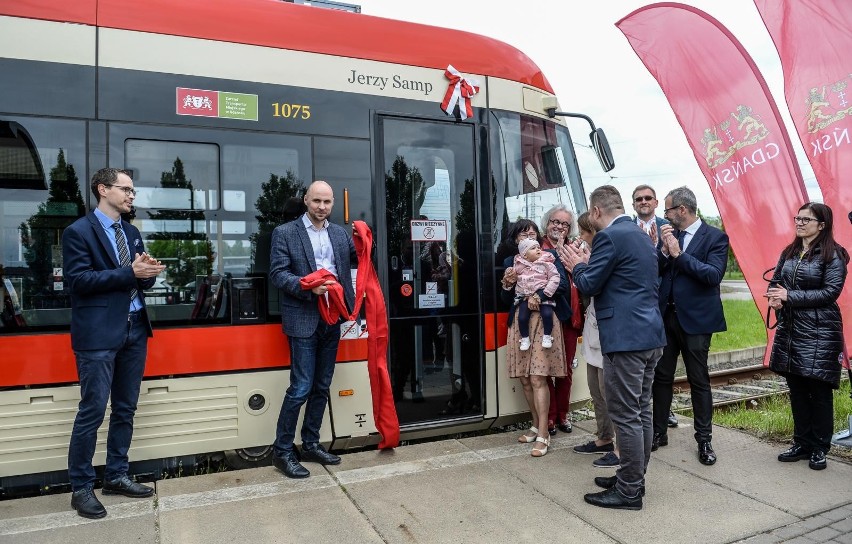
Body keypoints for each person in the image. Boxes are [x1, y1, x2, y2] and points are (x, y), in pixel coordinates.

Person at [62, 168, 165, 519]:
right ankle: (81, 488)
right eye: (126, 190)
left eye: (133, 191)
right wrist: (130, 273)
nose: (131, 196)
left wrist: (147, 273)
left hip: (135, 329)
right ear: (103, 189)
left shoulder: (131, 232)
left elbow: (135, 281)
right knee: (92, 410)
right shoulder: (77, 232)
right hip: (98, 336)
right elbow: (78, 281)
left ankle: (117, 475)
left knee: (125, 408)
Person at [561, 185, 665, 511]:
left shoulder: (608, 237)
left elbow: (590, 283)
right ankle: (632, 477)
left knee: (625, 415)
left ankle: (629, 491)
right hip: (650, 336)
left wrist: (577, 265)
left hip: (625, 339)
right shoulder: (640, 234)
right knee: (641, 411)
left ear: (595, 212)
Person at [269, 180, 357, 479]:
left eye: (327, 202)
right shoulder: (285, 233)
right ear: (306, 200)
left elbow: (357, 262)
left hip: (333, 318)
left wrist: (366, 240)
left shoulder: (340, 234)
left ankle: (309, 444)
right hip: (304, 317)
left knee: (322, 386)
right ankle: (282, 452)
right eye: (317, 201)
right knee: (301, 388)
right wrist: (310, 288)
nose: (322, 207)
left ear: (333, 204)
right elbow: (278, 274)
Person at [766, 203, 849, 470]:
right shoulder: (789, 251)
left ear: (821, 225)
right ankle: (802, 443)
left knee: (819, 390)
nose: (799, 223)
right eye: (798, 218)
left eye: (806, 219)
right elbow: (776, 281)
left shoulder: (833, 255)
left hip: (821, 331)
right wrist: (775, 297)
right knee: (797, 390)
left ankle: (819, 447)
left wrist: (789, 296)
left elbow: (830, 293)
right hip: (791, 330)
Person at [651, 186, 728, 466]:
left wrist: (679, 255)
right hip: (666, 318)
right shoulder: (672, 236)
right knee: (661, 378)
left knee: (698, 380)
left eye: (668, 210)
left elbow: (712, 276)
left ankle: (704, 439)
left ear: (681, 210)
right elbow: (660, 271)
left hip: (696, 321)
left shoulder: (715, 237)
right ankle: (658, 433)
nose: (665, 215)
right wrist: (662, 252)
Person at [500, 219, 568, 457]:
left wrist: (538, 294)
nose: (529, 237)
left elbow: (562, 286)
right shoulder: (511, 263)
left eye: (532, 233)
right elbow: (503, 299)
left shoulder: (549, 257)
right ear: (516, 240)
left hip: (544, 319)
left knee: (539, 377)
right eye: (523, 234)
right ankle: (535, 423)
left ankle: (543, 433)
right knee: (526, 379)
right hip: (521, 320)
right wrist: (507, 286)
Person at [570, 213, 620, 469]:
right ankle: (603, 437)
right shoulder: (591, 251)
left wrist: (580, 267)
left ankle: (619, 448)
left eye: (583, 231)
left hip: (607, 332)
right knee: (595, 389)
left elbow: (592, 285)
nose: (580, 237)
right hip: (593, 329)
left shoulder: (604, 252)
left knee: (609, 392)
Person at [632, 185, 678, 429]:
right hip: (637, 305)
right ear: (633, 205)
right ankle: (641, 411)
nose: (643, 201)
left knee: (663, 366)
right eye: (639, 199)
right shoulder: (627, 229)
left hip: (665, 303)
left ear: (656, 202)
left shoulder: (668, 227)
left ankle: (664, 411)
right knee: (639, 365)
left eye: (648, 198)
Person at [540, 204, 579, 436]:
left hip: (570, 318)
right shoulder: (538, 248)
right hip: (545, 318)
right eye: (555, 221)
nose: (559, 227)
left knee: (565, 370)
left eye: (565, 224)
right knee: (545, 369)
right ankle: (551, 416)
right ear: (547, 223)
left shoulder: (573, 249)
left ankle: (563, 414)